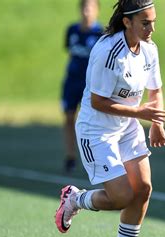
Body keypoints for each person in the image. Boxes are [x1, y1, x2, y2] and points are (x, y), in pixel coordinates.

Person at [54, 0, 165, 237]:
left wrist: (157, 123)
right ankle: (75, 198)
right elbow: (97, 102)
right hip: (97, 132)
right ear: (127, 22)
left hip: (127, 125)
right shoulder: (108, 50)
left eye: (153, 21)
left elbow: (156, 90)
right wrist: (141, 114)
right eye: (145, 22)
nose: (151, 28)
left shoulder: (150, 49)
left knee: (143, 188)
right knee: (121, 197)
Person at [61, 0, 103, 173]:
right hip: (72, 82)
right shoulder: (72, 30)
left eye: (90, 8)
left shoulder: (101, 33)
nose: (87, 12)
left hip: (91, 84)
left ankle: (96, 158)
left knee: (93, 121)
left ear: (97, 11)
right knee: (69, 117)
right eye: (84, 8)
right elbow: (70, 52)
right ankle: (70, 156)